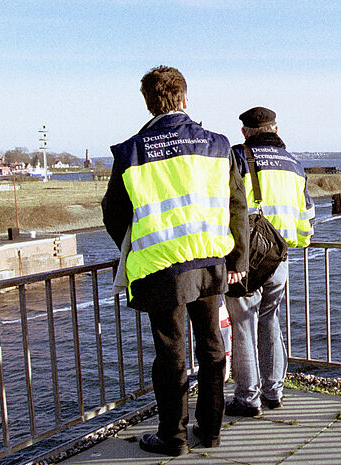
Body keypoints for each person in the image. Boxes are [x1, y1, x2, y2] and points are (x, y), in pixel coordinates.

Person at [102, 66, 249, 456]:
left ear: (149, 103)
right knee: (212, 345)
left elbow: (113, 213)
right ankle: (212, 429)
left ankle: (174, 437)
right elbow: (237, 206)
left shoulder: (132, 151)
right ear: (185, 100)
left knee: (171, 353)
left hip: (159, 266)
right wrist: (238, 258)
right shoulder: (218, 145)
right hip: (208, 260)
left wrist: (137, 245)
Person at [225, 106, 314, 417]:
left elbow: (227, 206)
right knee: (270, 321)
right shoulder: (295, 164)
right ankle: (274, 391)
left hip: (246, 257)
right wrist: (294, 241)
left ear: (245, 132)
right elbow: (306, 218)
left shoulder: (237, 158)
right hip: (280, 257)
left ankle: (247, 399)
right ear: (275, 130)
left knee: (244, 327)